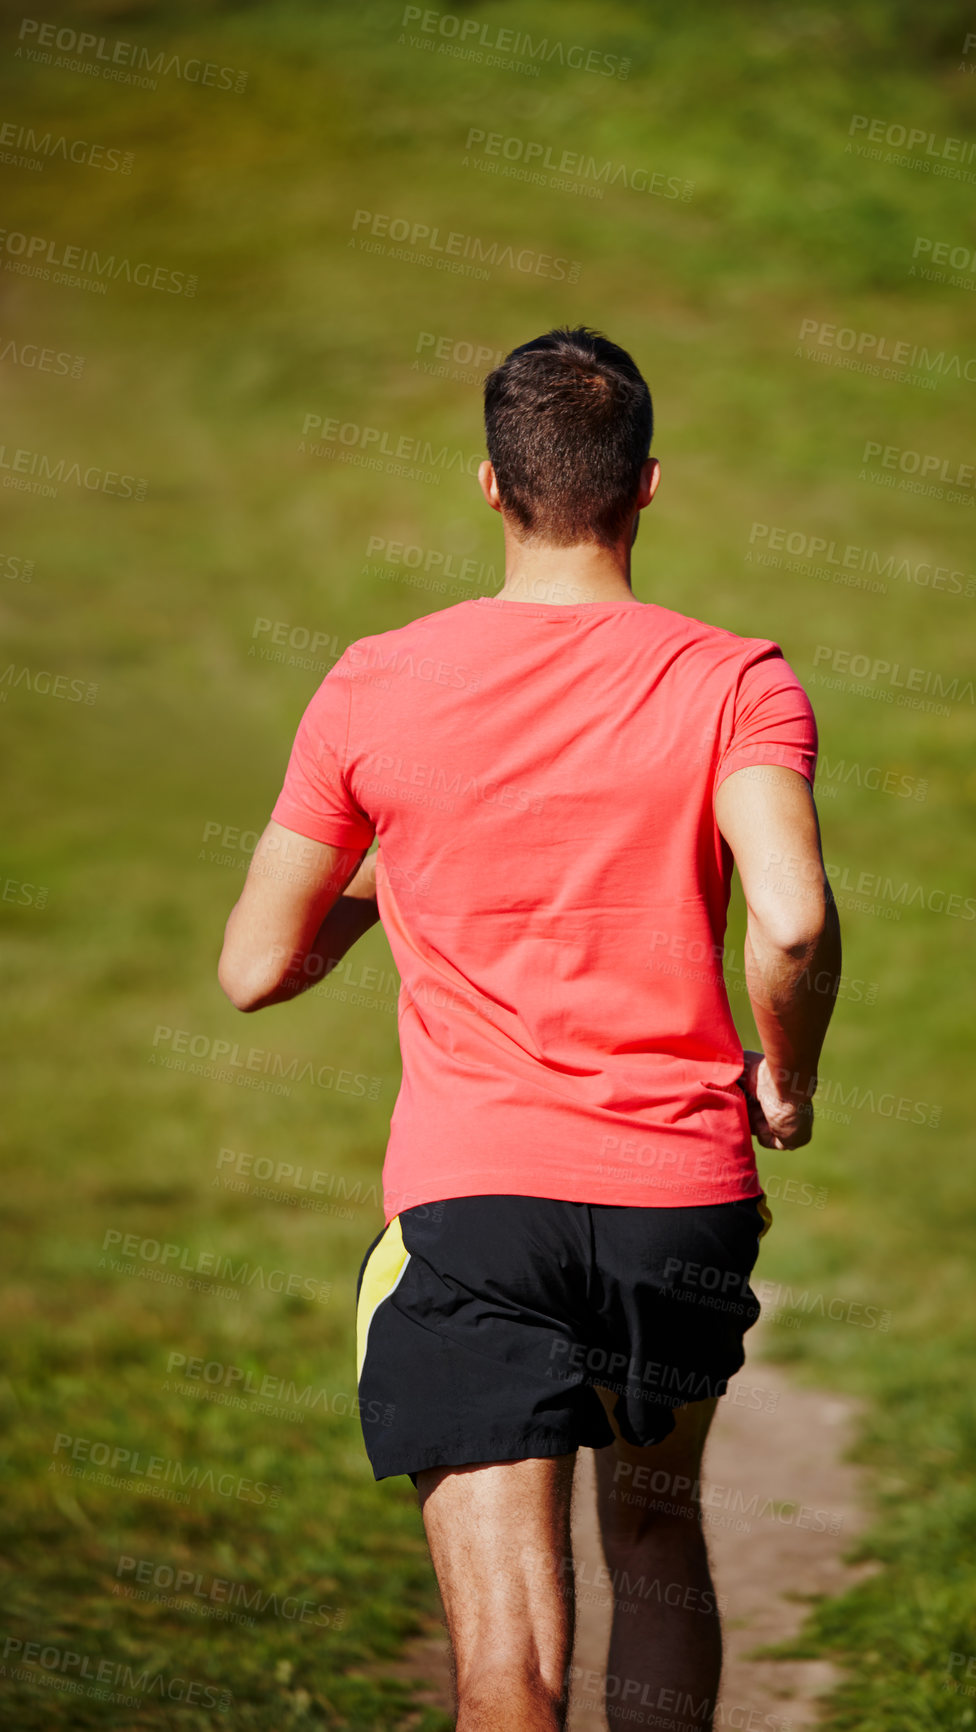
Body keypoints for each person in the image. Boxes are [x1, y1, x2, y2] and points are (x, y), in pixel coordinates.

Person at [218, 326, 841, 1732]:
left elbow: (254, 965)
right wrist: (785, 1083)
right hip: (677, 1205)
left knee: (506, 1675)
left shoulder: (377, 681)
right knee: (657, 1544)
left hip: (472, 1204)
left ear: (491, 488)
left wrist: (398, 865)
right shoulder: (738, 680)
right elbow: (792, 922)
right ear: (647, 487)